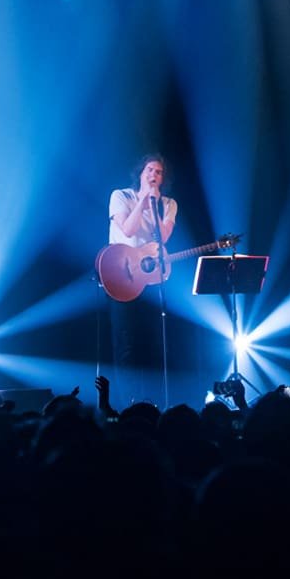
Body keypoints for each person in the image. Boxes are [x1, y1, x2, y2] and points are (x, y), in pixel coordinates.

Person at [107, 154, 178, 406]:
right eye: (150, 170)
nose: (154, 176)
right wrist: (142, 201)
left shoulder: (168, 204)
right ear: (140, 173)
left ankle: (154, 402)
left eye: (159, 173)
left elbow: (163, 238)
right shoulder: (121, 196)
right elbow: (127, 229)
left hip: (149, 278)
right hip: (120, 275)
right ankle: (127, 402)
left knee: (153, 339)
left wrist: (154, 206)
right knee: (127, 342)